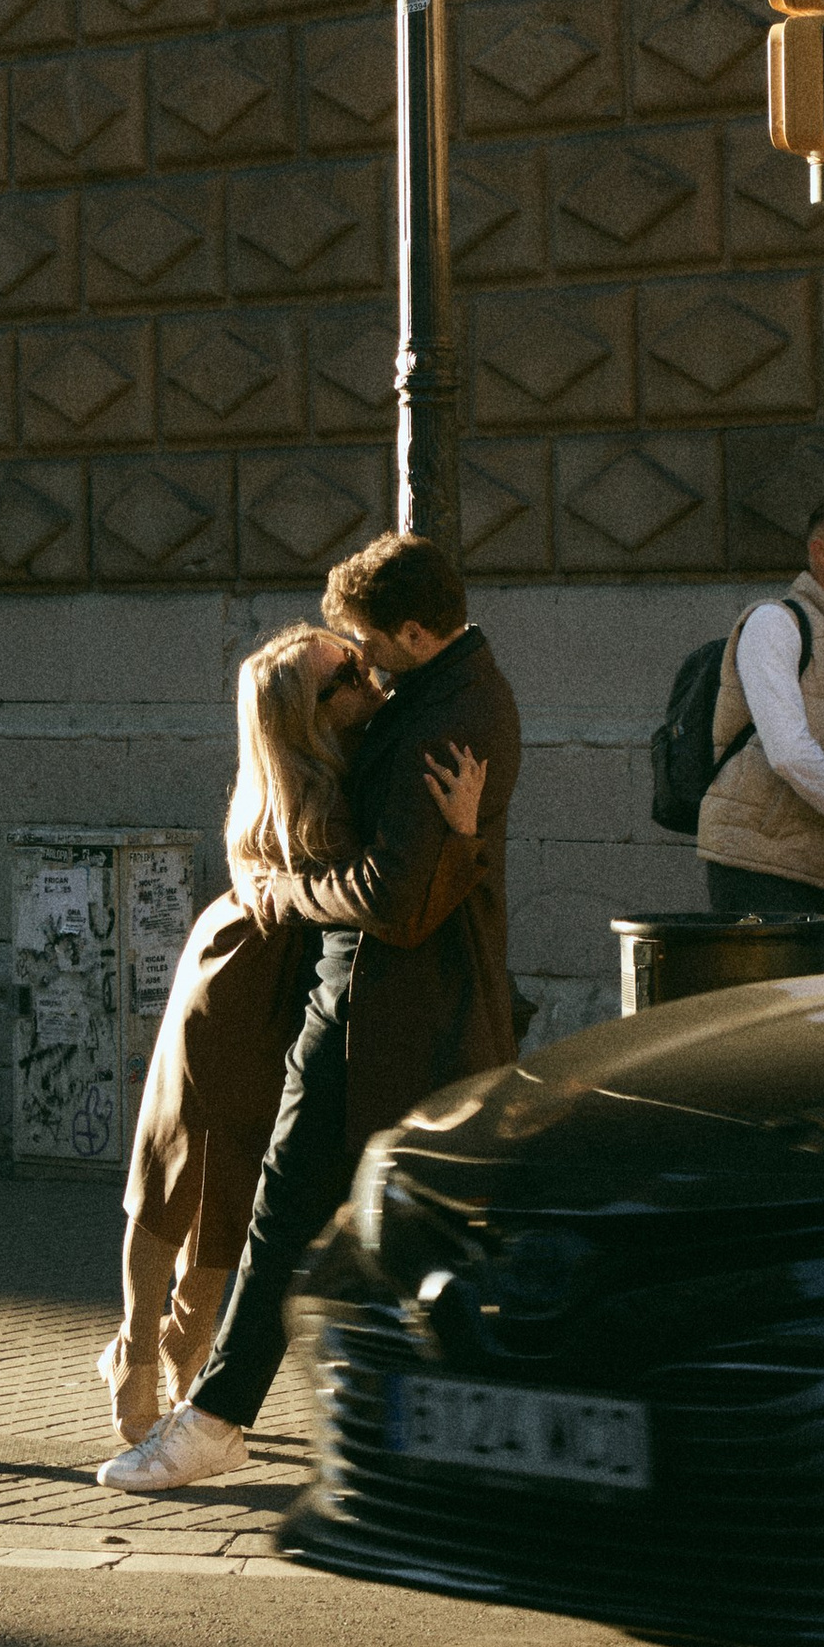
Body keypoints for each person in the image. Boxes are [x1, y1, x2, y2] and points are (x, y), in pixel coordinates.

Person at [99, 531, 521, 1493]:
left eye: (368, 647)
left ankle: (219, 1421)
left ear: (415, 631)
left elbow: (395, 899)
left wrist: (297, 890)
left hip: (389, 1012)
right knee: (288, 1214)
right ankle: (216, 1415)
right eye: (348, 665)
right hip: (349, 1007)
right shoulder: (418, 701)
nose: (365, 666)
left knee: (349, 1226)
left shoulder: (441, 716)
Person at [692, 496, 824, 966]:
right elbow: (788, 751)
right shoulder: (775, 622)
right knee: (778, 1026)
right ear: (822, 553)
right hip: (759, 865)